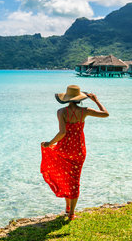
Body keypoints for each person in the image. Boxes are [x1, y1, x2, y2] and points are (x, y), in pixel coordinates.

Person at [40, 85, 109, 220]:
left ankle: (67, 208)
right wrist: (96, 100)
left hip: (64, 149)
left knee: (65, 177)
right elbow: (105, 114)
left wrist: (49, 143)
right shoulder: (85, 111)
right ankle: (71, 213)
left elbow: (62, 133)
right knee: (75, 180)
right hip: (78, 150)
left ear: (66, 99)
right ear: (79, 99)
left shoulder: (61, 112)